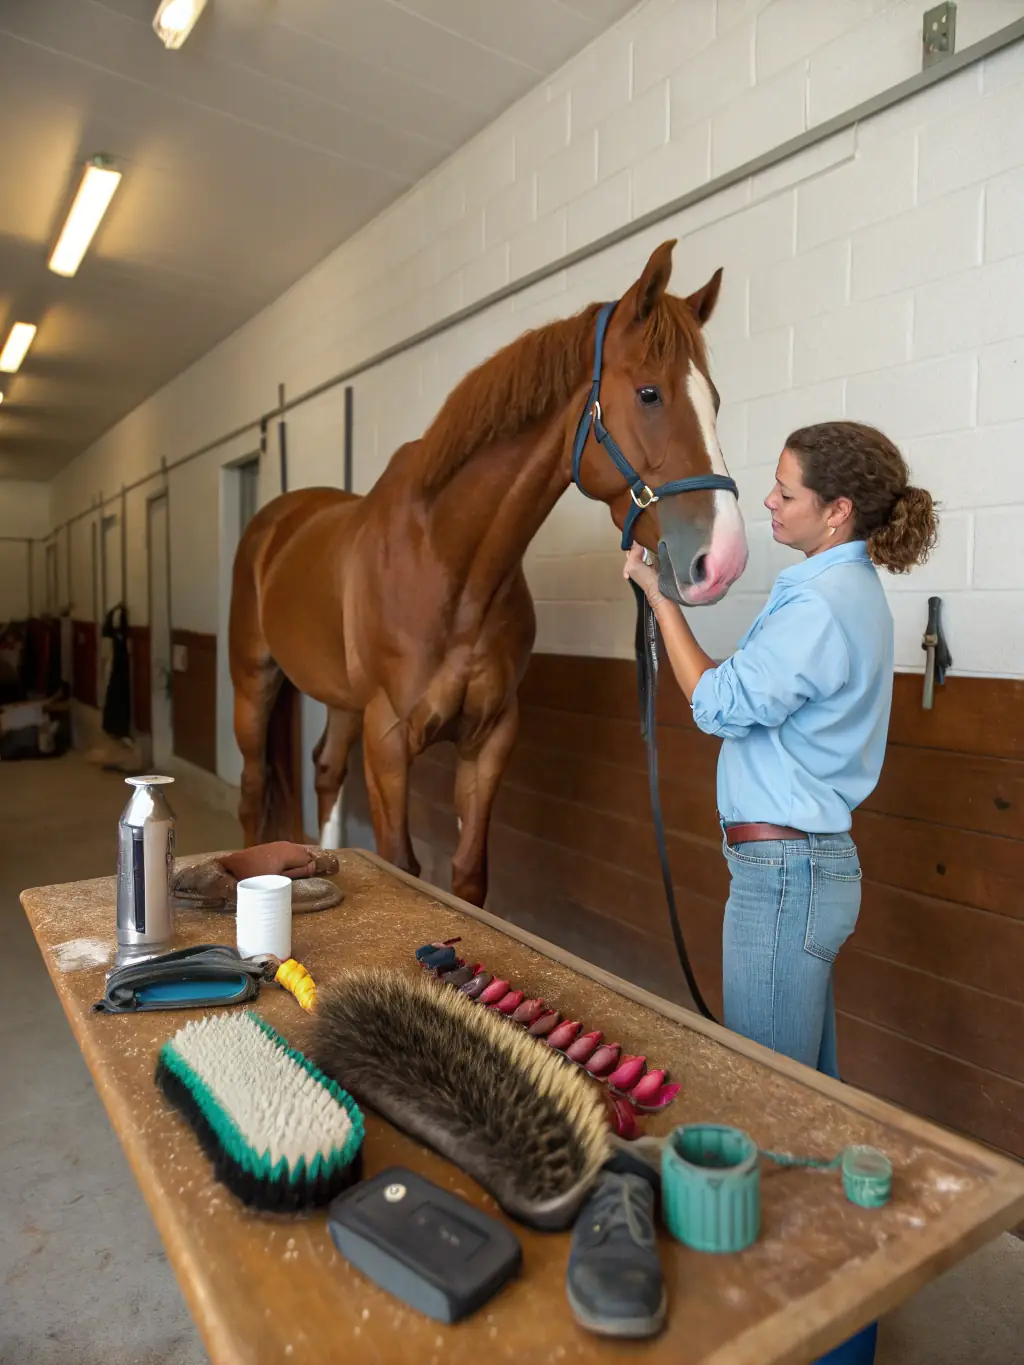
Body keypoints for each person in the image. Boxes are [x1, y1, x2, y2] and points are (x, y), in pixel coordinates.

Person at [624, 421, 938, 1078]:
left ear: (837, 511)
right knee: (803, 1093)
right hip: (796, 869)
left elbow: (717, 702)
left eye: (785, 491)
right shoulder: (839, 593)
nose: (768, 500)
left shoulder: (821, 606)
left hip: (786, 877)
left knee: (764, 1095)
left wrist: (660, 600)